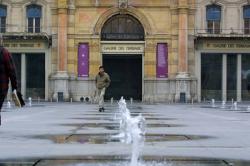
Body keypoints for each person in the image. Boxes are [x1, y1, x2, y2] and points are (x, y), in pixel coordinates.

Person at [0, 34, 18, 125]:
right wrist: (14, 87)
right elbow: (12, 71)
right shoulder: (5, 53)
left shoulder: (5, 53)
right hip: (1, 87)